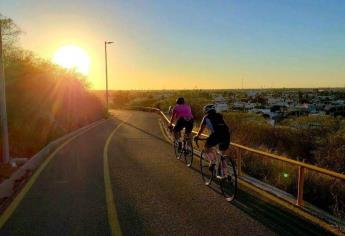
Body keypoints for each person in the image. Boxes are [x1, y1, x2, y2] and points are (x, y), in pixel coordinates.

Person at [194, 104, 231, 176]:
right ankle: (226, 174)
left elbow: (201, 128)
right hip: (226, 135)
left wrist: (197, 136)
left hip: (216, 135)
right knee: (221, 155)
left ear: (206, 111)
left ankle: (213, 161)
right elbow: (226, 126)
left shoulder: (206, 117)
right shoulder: (220, 115)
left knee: (206, 148)